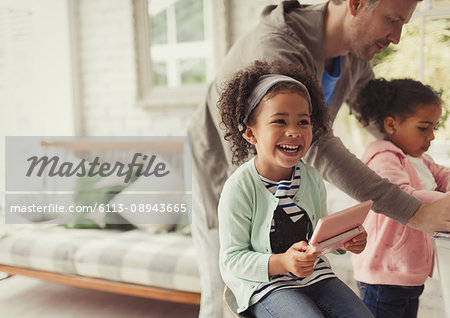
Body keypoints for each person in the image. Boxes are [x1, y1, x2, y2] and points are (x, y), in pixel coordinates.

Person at [187, 1, 450, 316]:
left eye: (403, 23)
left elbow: (380, 122)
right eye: (392, 20)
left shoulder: (354, 57)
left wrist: (424, 166)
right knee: (223, 294)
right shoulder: (276, 46)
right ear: (355, 4)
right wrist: (414, 211)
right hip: (221, 165)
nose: (396, 37)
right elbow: (319, 144)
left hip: (286, 186)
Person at [218, 60, 373, 317]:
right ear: (250, 134)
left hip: (314, 277)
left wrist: (344, 241)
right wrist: (282, 262)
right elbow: (231, 260)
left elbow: (316, 239)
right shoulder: (239, 188)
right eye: (279, 121)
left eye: (303, 122)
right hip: (265, 285)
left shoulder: (311, 178)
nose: (294, 131)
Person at [350, 78, 450, 318]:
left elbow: (443, 175)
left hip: (409, 272)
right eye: (424, 128)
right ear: (391, 124)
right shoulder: (383, 156)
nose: (432, 137)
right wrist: (443, 201)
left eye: (434, 128)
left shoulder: (419, 159)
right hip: (384, 275)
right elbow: (402, 195)